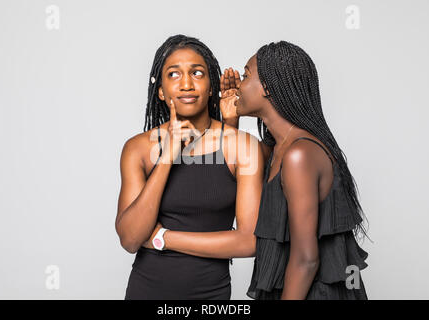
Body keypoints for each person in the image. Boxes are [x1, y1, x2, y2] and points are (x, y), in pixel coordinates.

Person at [115, 34, 264, 300]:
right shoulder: (137, 149)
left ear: (210, 87)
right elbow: (130, 239)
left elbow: (249, 241)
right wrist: (167, 156)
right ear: (160, 90)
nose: (186, 84)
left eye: (197, 73)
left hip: (212, 296)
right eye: (173, 74)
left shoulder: (243, 146)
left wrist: (162, 237)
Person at [220, 40, 370, 299]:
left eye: (246, 76)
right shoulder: (278, 149)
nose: (239, 86)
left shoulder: (299, 155)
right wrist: (230, 122)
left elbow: (306, 259)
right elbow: (233, 177)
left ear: (266, 86)